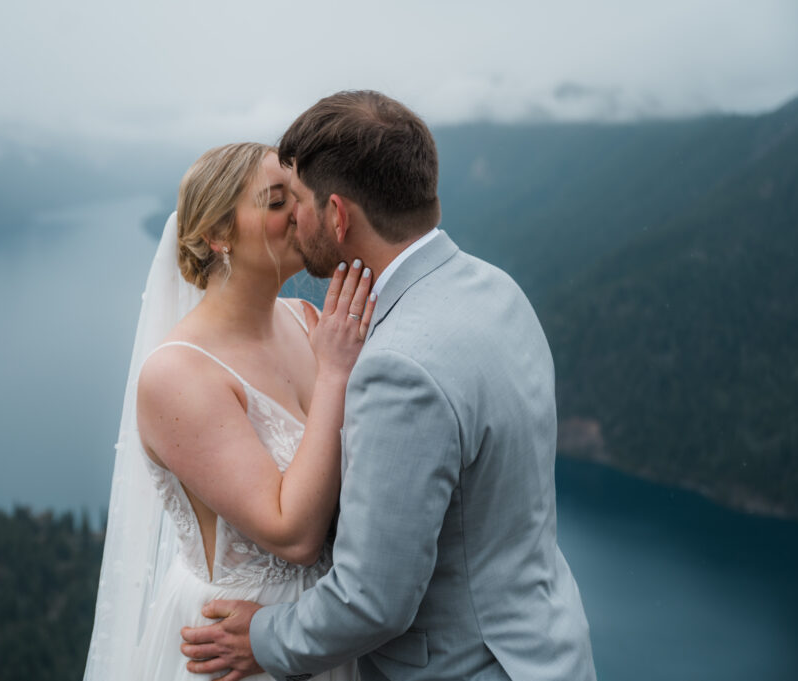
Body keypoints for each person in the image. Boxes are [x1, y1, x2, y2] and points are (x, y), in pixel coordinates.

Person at [181, 91, 597, 681]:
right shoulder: (497, 288)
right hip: (548, 648)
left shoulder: (398, 366)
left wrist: (262, 638)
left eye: (296, 201)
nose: (293, 220)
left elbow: (372, 599)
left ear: (339, 217)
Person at [82, 142, 366, 681]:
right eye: (276, 200)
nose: (301, 214)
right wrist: (334, 374)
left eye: (299, 197)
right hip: (235, 647)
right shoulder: (177, 376)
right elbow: (295, 536)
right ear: (217, 234)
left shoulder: (309, 322)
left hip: (327, 634)